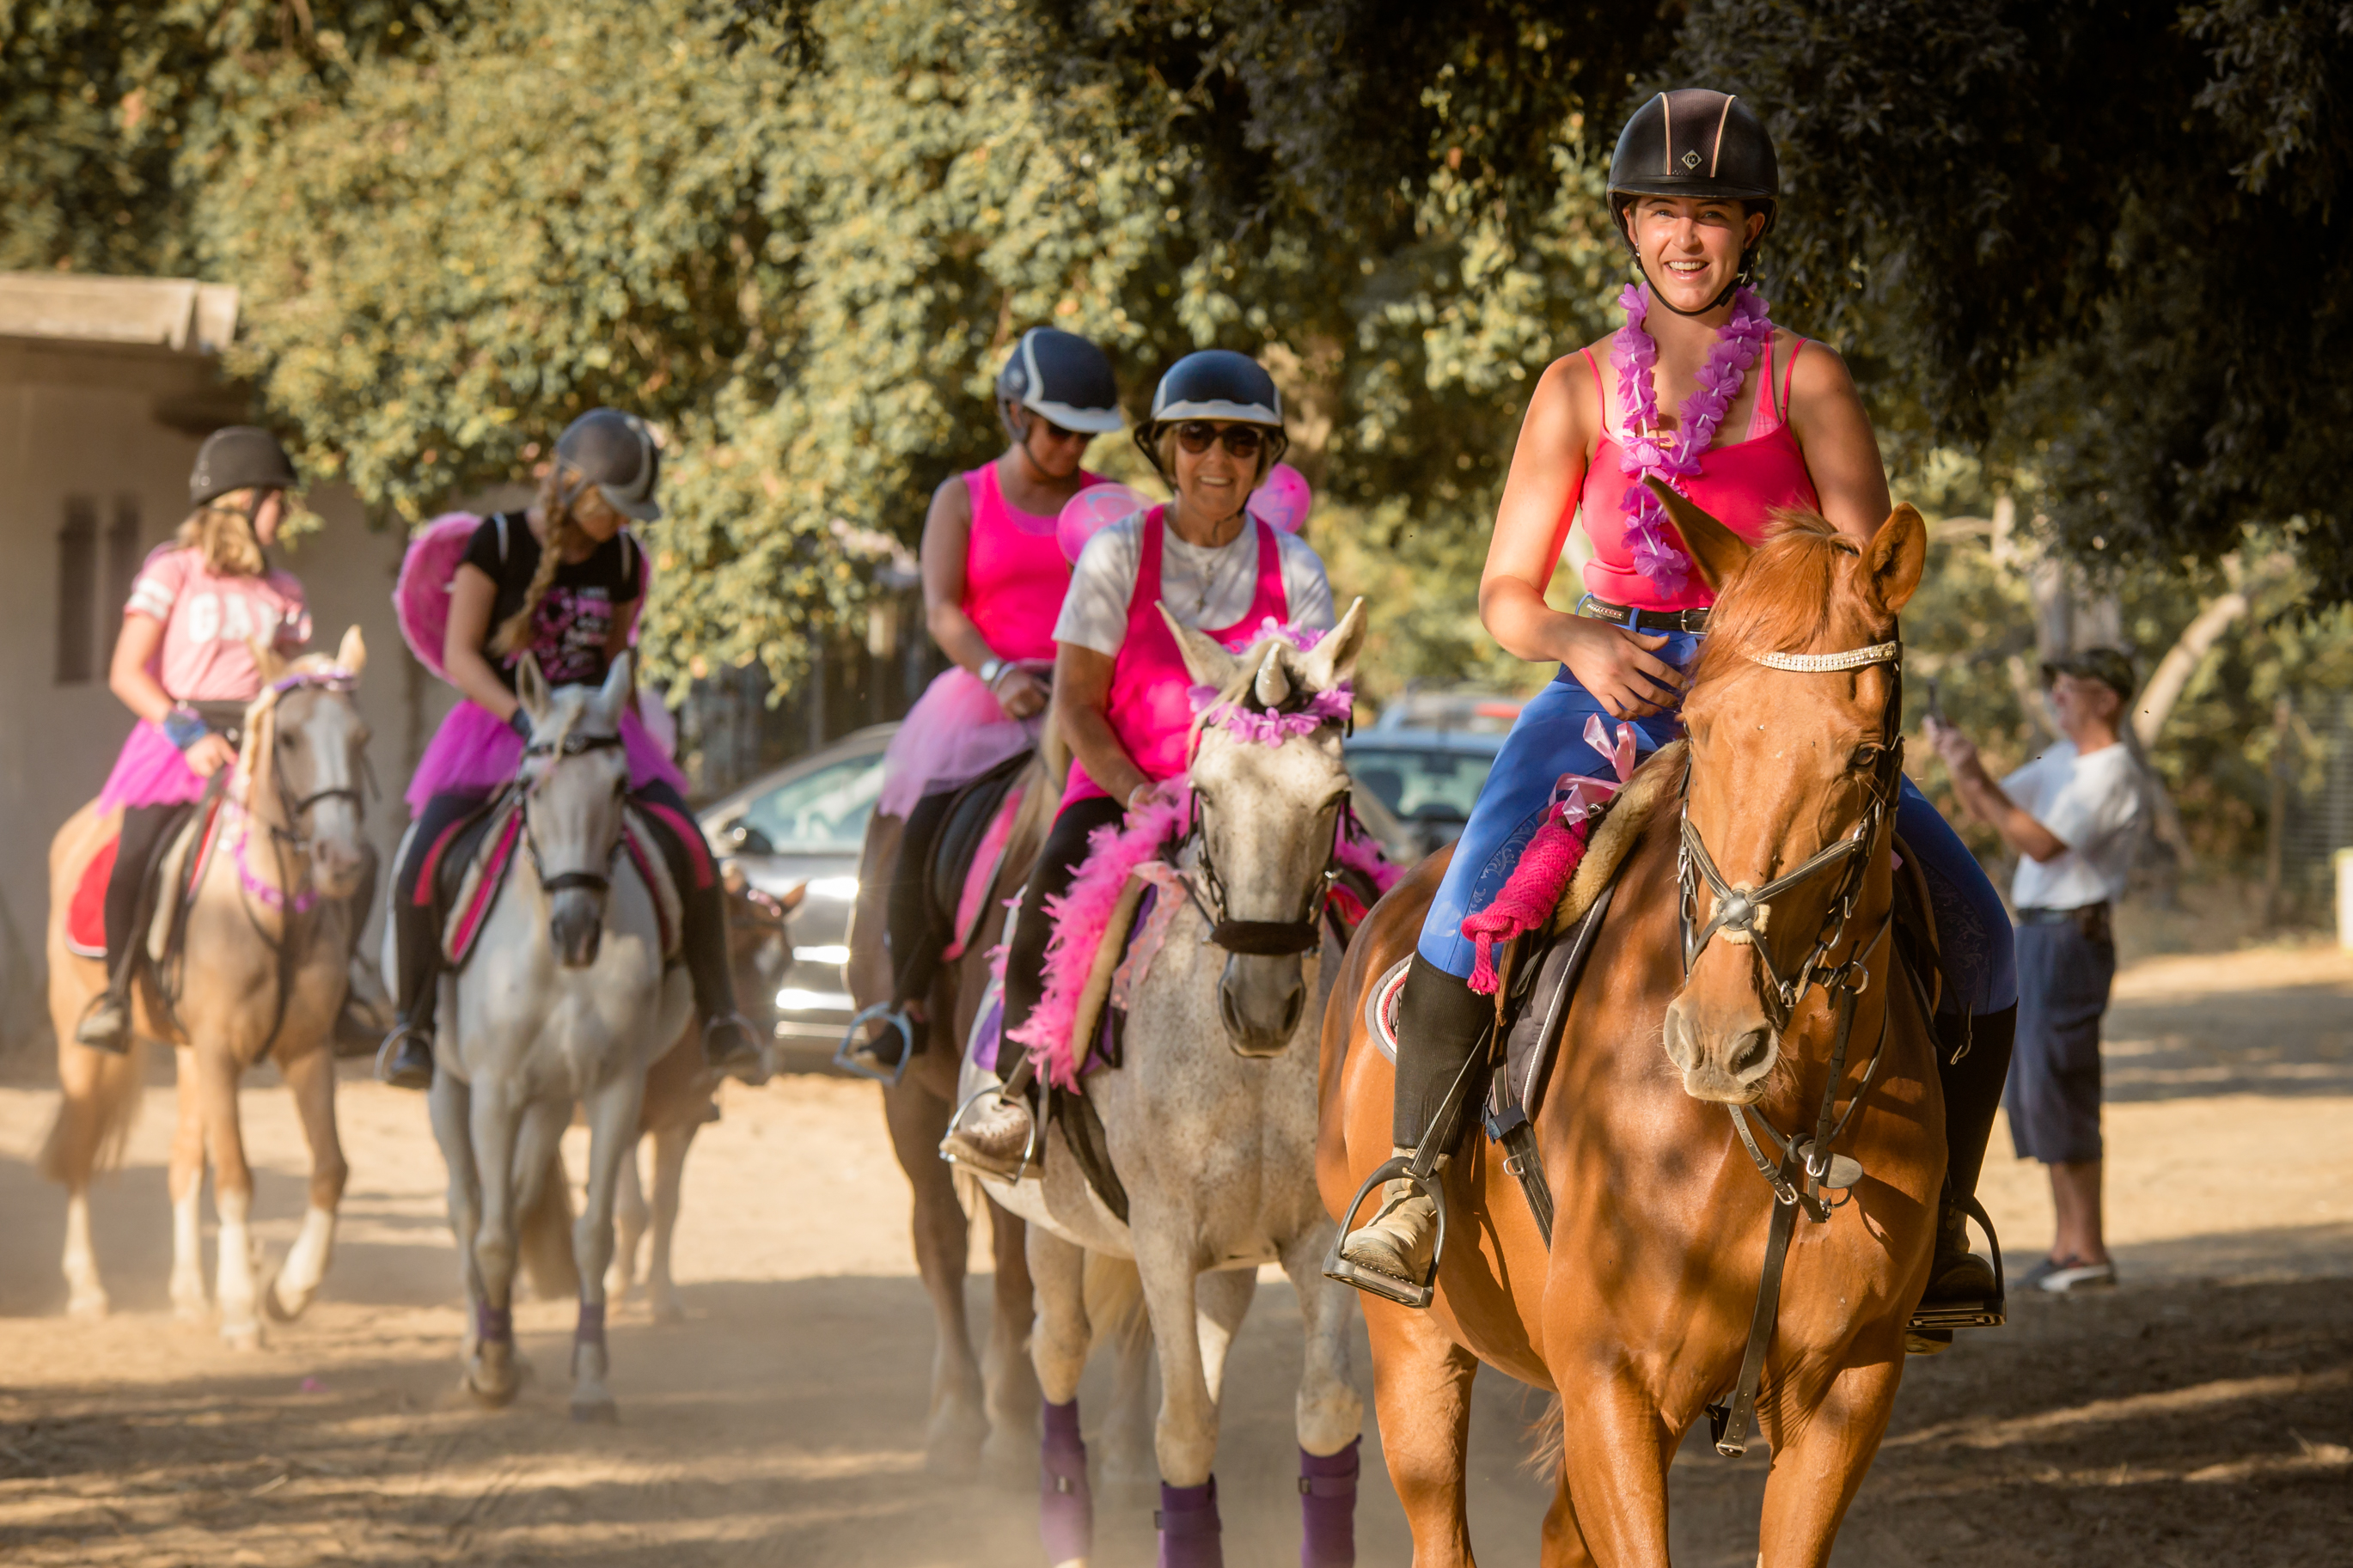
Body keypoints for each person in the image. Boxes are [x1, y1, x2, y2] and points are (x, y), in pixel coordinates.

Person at [1335, 89, 2020, 1333]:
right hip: (1616, 686)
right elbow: (1504, 593)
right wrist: (1575, 638)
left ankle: (1940, 1230)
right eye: (1659, 212)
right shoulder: (1574, 388)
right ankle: (1414, 1190)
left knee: (1981, 936)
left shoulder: (1807, 377)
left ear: (1750, 227)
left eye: (1708, 213)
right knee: (1454, 919)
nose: (1683, 238)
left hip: (1781, 695)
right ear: (1628, 227)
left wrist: (1794, 666)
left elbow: (1868, 576)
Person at [944, 349, 1335, 1168]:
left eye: (1240, 441)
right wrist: (1138, 795)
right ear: (1166, 448)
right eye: (1198, 437)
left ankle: (1378, 1105)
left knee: (1367, 902)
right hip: (1127, 787)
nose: (1218, 459)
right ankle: (1014, 1096)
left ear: (1265, 457)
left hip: (1257, 797)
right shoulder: (1115, 554)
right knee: (1047, 894)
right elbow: (1076, 703)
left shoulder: (1297, 568)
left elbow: (1312, 705)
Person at [375, 409, 763, 1089]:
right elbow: (463, 656)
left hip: (598, 733)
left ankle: (720, 1016)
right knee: (424, 856)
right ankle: (412, 1026)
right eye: (615, 507)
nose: (625, 522)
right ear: (574, 487)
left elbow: (617, 659)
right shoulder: (494, 545)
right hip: (502, 729)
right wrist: (523, 721)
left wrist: (642, 741)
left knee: (692, 847)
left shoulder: (622, 559)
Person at [845, 328, 1124, 1077]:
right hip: (989, 698)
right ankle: (903, 1002)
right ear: (1013, 413)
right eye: (1058, 430)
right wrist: (1000, 673)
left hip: (1083, 695)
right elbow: (942, 611)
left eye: (1083, 435)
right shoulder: (962, 497)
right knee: (928, 824)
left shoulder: (1107, 505)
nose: (1071, 448)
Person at [76, 427, 344, 1052]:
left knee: (337, 838)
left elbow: (284, 678)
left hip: (258, 738)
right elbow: (126, 671)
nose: (286, 513)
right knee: (134, 856)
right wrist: (187, 734)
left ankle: (345, 990)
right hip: (179, 735)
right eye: (278, 499)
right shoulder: (173, 569)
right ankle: (114, 994)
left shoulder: (285, 590)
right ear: (242, 501)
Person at [1927, 649, 2142, 1292]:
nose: (2059, 703)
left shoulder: (2112, 770)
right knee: (2039, 1089)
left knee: (2063, 1081)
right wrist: (1963, 768)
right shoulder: (2060, 759)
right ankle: (2068, 1245)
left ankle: (2090, 1248)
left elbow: (2039, 843)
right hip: (2040, 933)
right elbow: (1986, 807)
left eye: (2071, 691)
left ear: (2107, 698)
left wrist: (1979, 781)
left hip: (2071, 936)